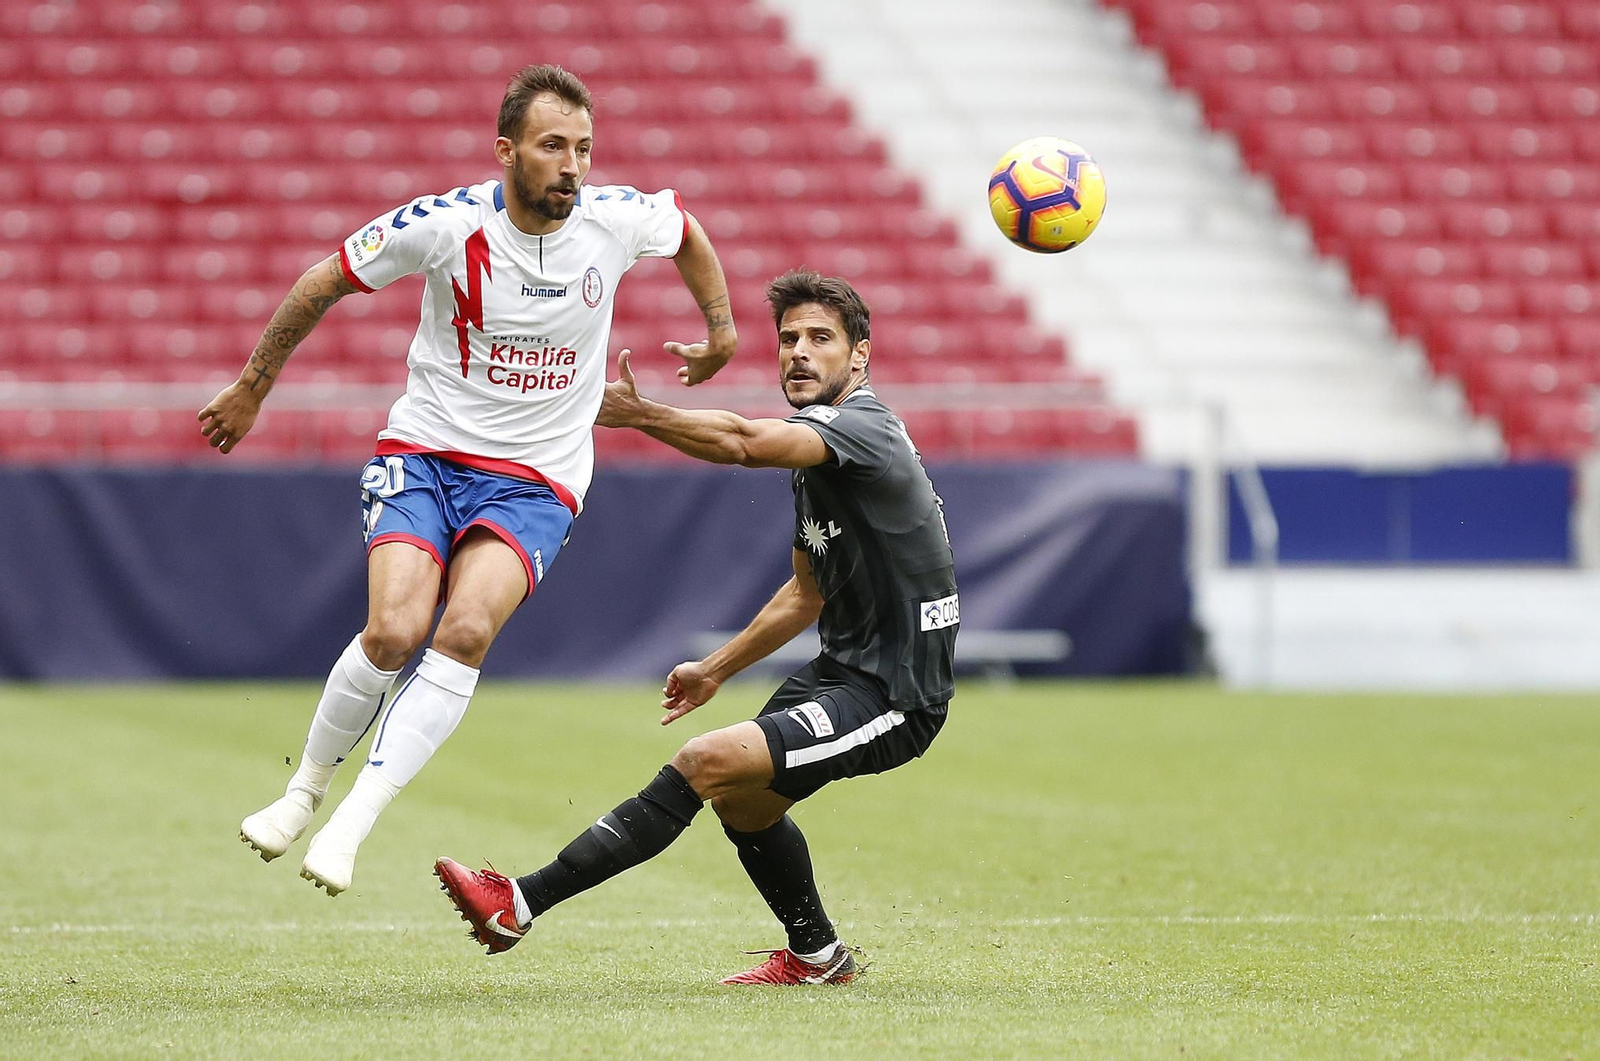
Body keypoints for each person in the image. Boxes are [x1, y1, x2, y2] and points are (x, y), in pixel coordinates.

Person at [199, 64, 738, 896]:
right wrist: (252, 386)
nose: (574, 165)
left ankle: (354, 820)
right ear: (507, 150)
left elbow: (688, 230)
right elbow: (324, 280)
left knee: (465, 630)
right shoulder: (445, 226)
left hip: (537, 477)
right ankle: (303, 791)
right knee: (392, 629)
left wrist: (722, 332)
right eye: (553, 146)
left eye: (585, 148)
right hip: (426, 455)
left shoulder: (614, 219)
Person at [434, 270, 958, 985]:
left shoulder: (863, 427)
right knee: (743, 801)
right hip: (845, 671)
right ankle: (818, 955)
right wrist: (718, 667)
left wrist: (641, 413)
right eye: (788, 339)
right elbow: (806, 593)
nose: (798, 352)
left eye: (820, 339)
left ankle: (517, 903)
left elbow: (743, 440)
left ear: (860, 355)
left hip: (898, 693)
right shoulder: (819, 463)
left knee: (704, 761)